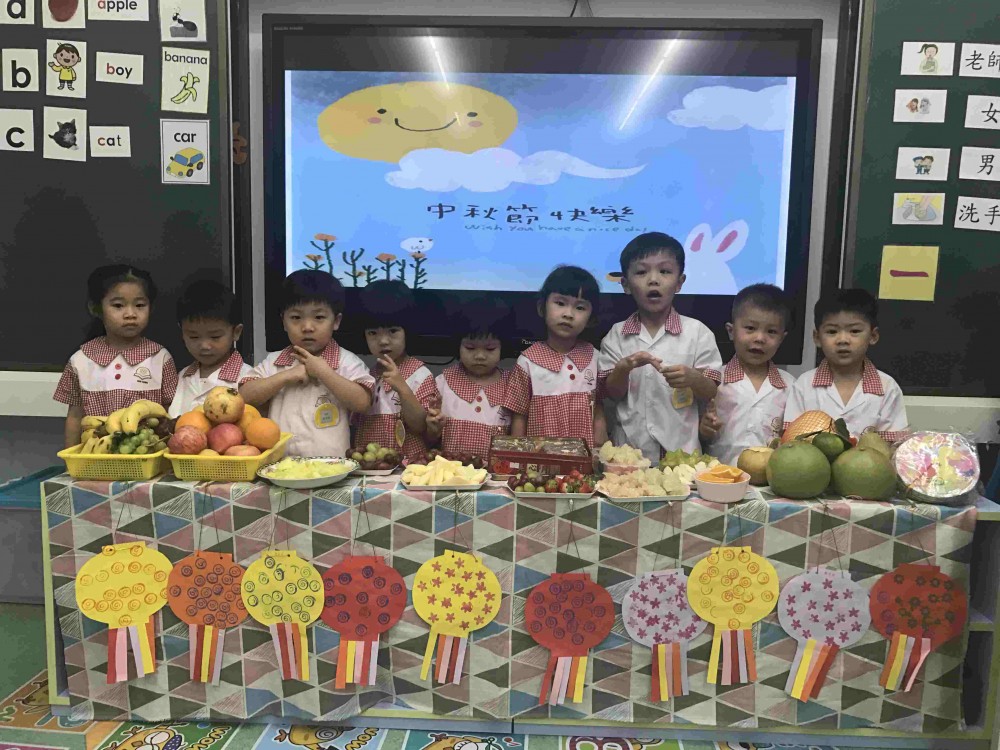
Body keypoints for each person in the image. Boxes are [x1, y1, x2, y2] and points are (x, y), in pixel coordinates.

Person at [599, 232, 722, 461]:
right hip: (629, 453)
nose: (653, 280)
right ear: (625, 284)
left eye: (664, 271)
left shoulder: (698, 333)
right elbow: (611, 394)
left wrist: (693, 378)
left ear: (679, 283)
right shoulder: (616, 335)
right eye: (641, 272)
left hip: (682, 454)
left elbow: (711, 391)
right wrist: (623, 368)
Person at [240, 270, 373, 457]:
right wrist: (286, 376)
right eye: (296, 318)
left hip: (332, 467)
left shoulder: (347, 362)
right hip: (280, 465)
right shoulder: (273, 362)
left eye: (319, 317)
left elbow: (363, 403)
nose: (307, 327)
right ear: (283, 321)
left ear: (336, 321)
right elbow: (244, 396)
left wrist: (324, 372)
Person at [54, 265, 178, 447]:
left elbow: (170, 413)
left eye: (140, 305)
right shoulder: (81, 360)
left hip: (146, 453)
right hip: (95, 453)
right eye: (118, 306)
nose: (130, 314)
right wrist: (70, 457)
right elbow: (74, 416)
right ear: (96, 308)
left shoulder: (160, 358)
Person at [502, 265, 608, 450]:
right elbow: (519, 415)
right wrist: (518, 456)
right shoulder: (527, 361)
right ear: (542, 308)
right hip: (541, 458)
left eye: (580, 307)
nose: (568, 314)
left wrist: (601, 437)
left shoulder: (594, 356)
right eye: (560, 303)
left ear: (591, 318)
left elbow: (597, 403)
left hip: (585, 458)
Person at [784, 289, 908, 441]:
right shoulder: (804, 385)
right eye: (832, 331)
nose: (843, 340)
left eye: (854, 331)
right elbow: (791, 440)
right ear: (817, 337)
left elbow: (892, 444)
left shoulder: (888, 388)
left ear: (873, 336)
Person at [699, 284, 796, 464]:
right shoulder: (713, 380)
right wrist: (704, 430)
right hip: (720, 474)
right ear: (731, 331)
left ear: (782, 338)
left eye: (771, 332)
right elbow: (695, 434)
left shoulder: (790, 386)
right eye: (750, 328)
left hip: (770, 477)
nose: (760, 338)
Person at [353, 280, 439, 462]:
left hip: (410, 466)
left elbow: (420, 426)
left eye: (392, 331)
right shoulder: (365, 375)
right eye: (373, 333)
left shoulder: (420, 375)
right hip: (371, 467)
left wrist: (402, 387)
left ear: (407, 331)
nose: (383, 341)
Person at [426, 298, 511, 460]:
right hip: (450, 472)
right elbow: (429, 441)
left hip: (495, 473)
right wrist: (433, 429)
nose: (480, 356)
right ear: (457, 346)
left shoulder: (512, 384)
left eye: (490, 349)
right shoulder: (442, 383)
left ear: (503, 347)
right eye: (470, 348)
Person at [169, 279, 252, 417]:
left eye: (215, 337)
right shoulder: (182, 376)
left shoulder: (248, 379)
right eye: (194, 337)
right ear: (182, 332)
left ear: (236, 332)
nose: (205, 346)